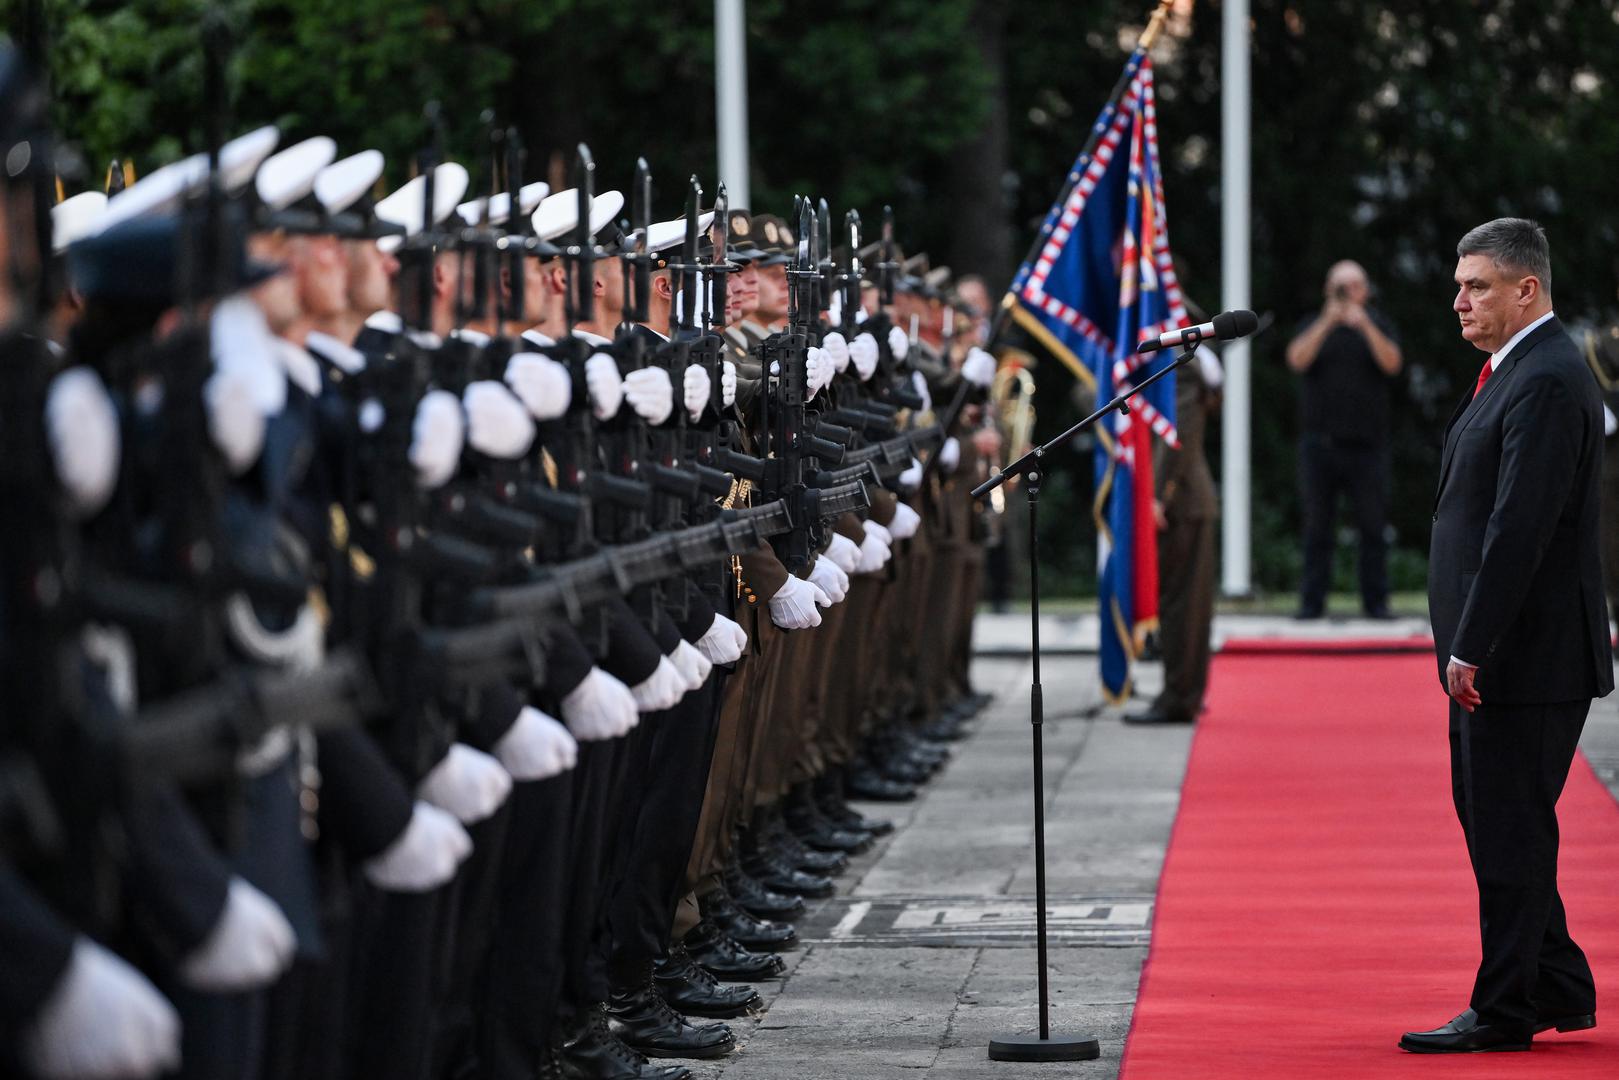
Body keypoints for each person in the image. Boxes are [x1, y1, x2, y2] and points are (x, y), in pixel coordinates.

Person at [1402, 218, 1612, 1054]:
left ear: (1526, 288)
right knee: (1499, 821)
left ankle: (1504, 1009)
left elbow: (1518, 527)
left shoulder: (1550, 378)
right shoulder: (1510, 369)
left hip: (1525, 656)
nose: (1458, 300)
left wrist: (1471, 645)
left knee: (1506, 826)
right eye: (1458, 284)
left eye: (1476, 285)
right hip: (1505, 652)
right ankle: (1554, 980)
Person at [1285, 260, 1402, 619]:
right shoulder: (1314, 325)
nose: (1347, 293)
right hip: (1320, 445)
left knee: (1372, 526)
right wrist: (1328, 320)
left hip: (1367, 446)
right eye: (1340, 286)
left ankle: (1376, 601)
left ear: (1365, 291)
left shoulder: (1377, 324)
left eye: (1353, 286)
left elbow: (1392, 364)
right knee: (1317, 526)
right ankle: (1311, 602)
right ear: (1327, 289)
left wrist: (1363, 322)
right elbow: (1297, 360)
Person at [1127, 343, 1221, 726]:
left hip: (1178, 499)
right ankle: (1184, 692)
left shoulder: (1179, 365)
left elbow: (1176, 432)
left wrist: (1157, 494)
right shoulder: (1189, 363)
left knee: (1181, 605)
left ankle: (1179, 696)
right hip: (1185, 498)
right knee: (1185, 603)